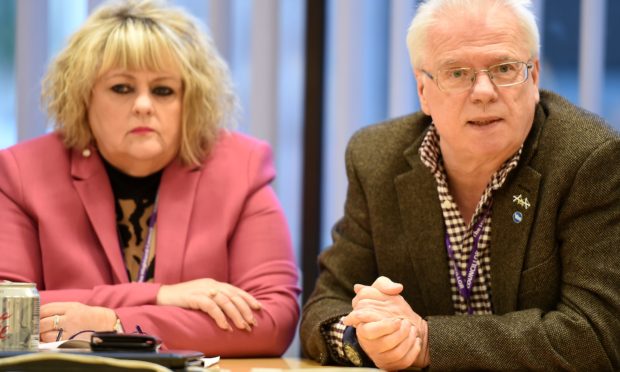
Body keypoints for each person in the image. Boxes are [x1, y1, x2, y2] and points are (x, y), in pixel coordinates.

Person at [300, 0, 620, 370]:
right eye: (456, 73)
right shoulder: (376, 159)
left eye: (504, 68)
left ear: (533, 79)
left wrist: (427, 341)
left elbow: (597, 335)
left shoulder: (588, 160)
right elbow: (325, 306)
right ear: (423, 90)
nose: (483, 91)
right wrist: (367, 338)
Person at [0, 0, 300, 357]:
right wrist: (158, 295)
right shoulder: (23, 171)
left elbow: (271, 319)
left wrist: (114, 324)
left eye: (163, 90)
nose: (143, 105)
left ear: (190, 102)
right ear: (83, 98)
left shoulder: (241, 168)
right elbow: (8, 314)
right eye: (122, 88)